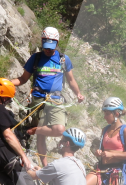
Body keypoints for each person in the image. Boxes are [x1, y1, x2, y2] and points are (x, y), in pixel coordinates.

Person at [11, 27, 84, 167]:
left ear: (57, 43)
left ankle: (33, 130)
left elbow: (71, 80)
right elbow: (23, 79)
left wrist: (78, 94)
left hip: (56, 101)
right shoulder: (36, 58)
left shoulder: (63, 59)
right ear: (42, 42)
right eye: (46, 47)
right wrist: (8, 83)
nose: (48, 50)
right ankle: (45, 167)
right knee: (41, 136)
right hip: (38, 100)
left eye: (51, 47)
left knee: (59, 129)